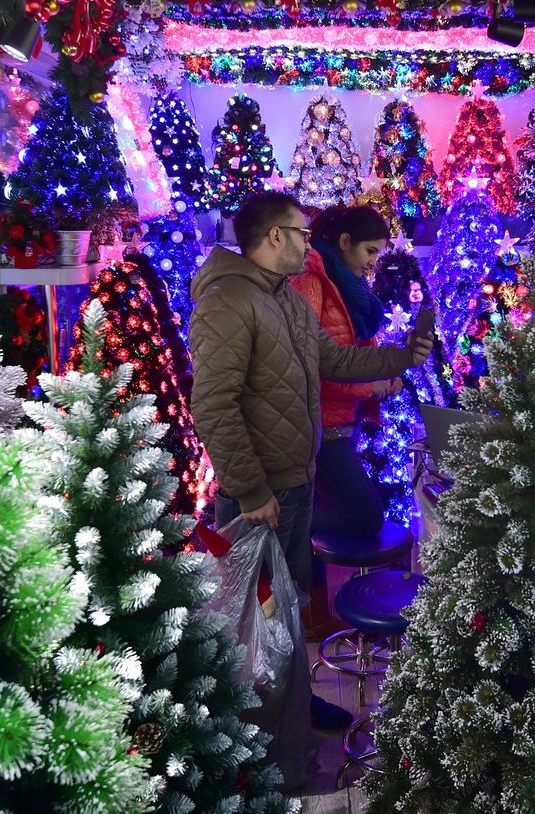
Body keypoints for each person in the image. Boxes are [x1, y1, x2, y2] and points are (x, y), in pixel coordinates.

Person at [188, 191, 431, 786]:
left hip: (295, 487)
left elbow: (336, 362)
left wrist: (405, 355)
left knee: (289, 611)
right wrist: (248, 491)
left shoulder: (286, 302)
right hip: (259, 500)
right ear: (275, 237)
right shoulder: (228, 302)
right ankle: (266, 758)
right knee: (259, 625)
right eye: (301, 232)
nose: (310, 241)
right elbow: (213, 405)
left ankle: (292, 723)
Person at [290, 204, 398, 542]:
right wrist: (372, 387)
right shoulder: (311, 279)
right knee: (365, 517)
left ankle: (307, 572)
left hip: (340, 424)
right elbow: (311, 364)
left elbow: (357, 347)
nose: (372, 262)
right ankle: (280, 530)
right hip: (318, 429)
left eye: (377, 254)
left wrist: (390, 371)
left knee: (351, 512)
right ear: (345, 241)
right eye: (369, 251)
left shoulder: (347, 285)